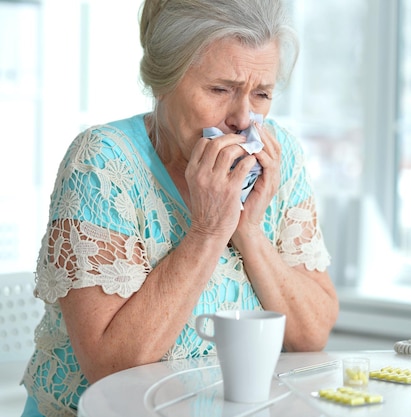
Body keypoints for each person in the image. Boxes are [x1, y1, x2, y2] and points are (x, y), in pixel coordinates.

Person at [20, 1, 339, 415]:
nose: (243, 118)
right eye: (220, 89)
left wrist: (249, 230)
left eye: (261, 94)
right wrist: (208, 230)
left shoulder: (282, 157)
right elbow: (112, 367)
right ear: (163, 80)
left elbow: (311, 335)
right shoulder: (101, 162)